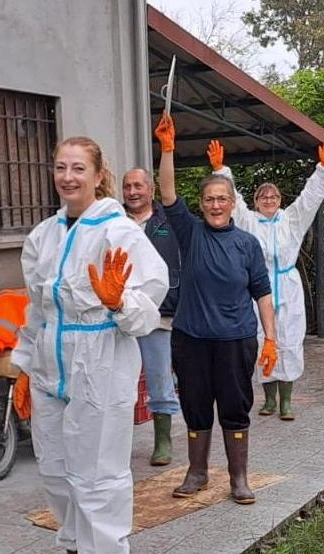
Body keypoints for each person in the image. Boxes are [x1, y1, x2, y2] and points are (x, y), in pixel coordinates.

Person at [12, 136, 169, 554]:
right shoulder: (43, 236)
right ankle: (74, 546)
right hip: (50, 366)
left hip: (100, 363)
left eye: (79, 168)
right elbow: (37, 309)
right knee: (55, 472)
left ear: (99, 176)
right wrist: (24, 367)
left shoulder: (119, 231)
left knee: (98, 476)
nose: (68, 177)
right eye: (61, 167)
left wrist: (120, 301)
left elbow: (152, 298)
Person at [154, 114, 278, 505]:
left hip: (236, 339)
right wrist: (168, 149)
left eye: (222, 198)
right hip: (191, 339)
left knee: (235, 407)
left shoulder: (247, 244)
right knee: (195, 407)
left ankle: (239, 478)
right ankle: (197, 472)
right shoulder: (190, 233)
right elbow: (168, 192)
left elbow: (262, 293)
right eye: (209, 198)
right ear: (203, 203)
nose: (215, 204)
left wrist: (271, 338)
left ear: (233, 203)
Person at [207, 140, 324, 421]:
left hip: (287, 288)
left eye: (273, 196)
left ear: (280, 200)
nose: (268, 200)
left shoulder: (291, 220)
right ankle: (268, 399)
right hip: (257, 289)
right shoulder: (249, 222)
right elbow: (235, 202)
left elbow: (309, 200)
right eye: (262, 197)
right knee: (260, 339)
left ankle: (287, 401)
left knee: (289, 340)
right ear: (257, 202)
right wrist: (221, 169)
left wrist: (323, 169)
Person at [122, 167, 183, 465]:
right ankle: (118, 444)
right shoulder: (114, 223)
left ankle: (163, 441)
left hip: (160, 314)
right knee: (119, 381)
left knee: (159, 377)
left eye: (138, 186)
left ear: (151, 190)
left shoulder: (167, 221)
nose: (133, 192)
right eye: (127, 186)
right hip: (120, 313)